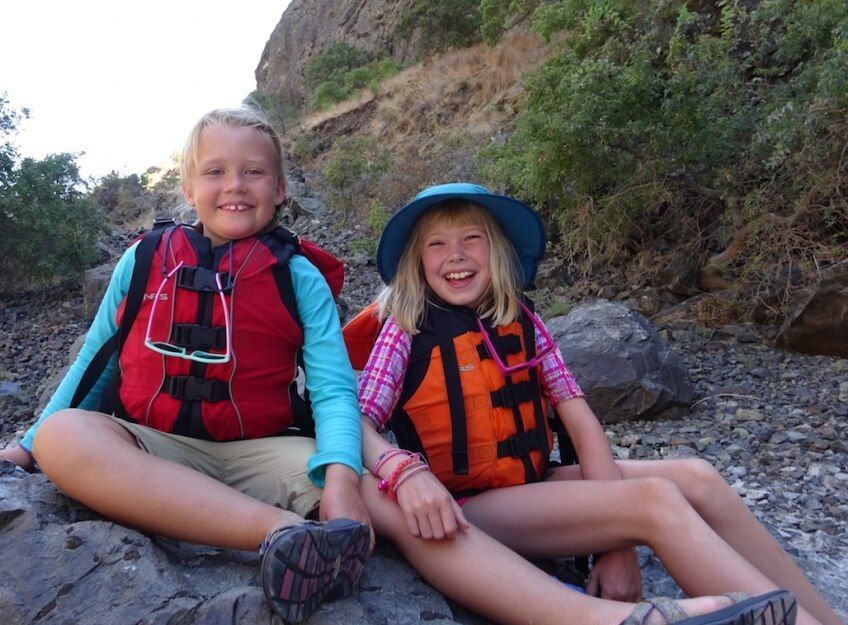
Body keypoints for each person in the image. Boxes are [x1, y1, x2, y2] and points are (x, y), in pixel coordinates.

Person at [352, 182, 842, 625]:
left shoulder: (521, 318)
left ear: (497, 249)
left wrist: (615, 545)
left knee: (698, 477)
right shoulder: (404, 329)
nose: (455, 256)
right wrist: (401, 472)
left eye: (471, 238)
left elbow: (580, 420)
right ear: (418, 261)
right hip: (467, 508)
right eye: (436, 244)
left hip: (533, 483)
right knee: (654, 501)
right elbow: (358, 423)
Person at [0, 105, 371, 624]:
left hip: (260, 453)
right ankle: (282, 534)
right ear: (189, 189)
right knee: (63, 437)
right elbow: (96, 360)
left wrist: (344, 477)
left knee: (371, 488)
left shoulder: (297, 276)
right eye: (215, 172)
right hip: (155, 446)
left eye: (253, 172)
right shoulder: (143, 259)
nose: (235, 185)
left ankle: (323, 537)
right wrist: (26, 446)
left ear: (280, 189)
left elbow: (331, 388)